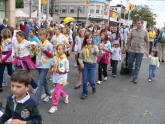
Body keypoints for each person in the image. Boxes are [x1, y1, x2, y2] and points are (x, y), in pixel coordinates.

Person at [34, 28, 54, 105]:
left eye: (40, 35)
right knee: (43, 80)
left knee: (39, 83)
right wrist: (34, 50)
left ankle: (36, 102)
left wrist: (44, 50)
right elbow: (37, 53)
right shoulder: (38, 43)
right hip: (38, 64)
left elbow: (51, 55)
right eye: (38, 35)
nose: (39, 36)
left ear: (45, 35)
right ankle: (49, 94)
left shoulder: (49, 44)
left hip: (45, 65)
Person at [48, 44, 69, 113]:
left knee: (56, 91)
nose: (58, 50)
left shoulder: (65, 60)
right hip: (55, 76)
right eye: (57, 49)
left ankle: (54, 106)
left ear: (63, 50)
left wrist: (61, 71)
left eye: (60, 49)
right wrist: (52, 68)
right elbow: (52, 65)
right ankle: (65, 96)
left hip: (62, 78)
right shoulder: (55, 58)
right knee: (58, 89)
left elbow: (67, 70)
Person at [127, 19, 149, 84]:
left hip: (140, 51)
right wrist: (128, 46)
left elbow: (147, 42)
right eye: (137, 23)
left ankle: (135, 78)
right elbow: (129, 38)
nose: (138, 24)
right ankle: (132, 72)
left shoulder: (145, 32)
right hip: (132, 50)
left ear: (142, 24)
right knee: (129, 62)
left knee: (137, 65)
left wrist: (147, 50)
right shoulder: (133, 30)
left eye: (139, 23)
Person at [78, 33, 100, 99]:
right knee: (84, 81)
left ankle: (93, 86)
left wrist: (99, 50)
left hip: (92, 65)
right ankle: (85, 93)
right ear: (86, 39)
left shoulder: (95, 47)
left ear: (92, 39)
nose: (89, 39)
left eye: (90, 38)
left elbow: (98, 55)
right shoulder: (83, 48)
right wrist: (81, 63)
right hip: (85, 65)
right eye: (88, 38)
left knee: (91, 80)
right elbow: (80, 57)